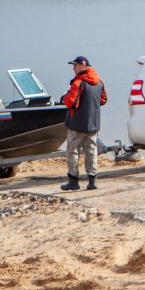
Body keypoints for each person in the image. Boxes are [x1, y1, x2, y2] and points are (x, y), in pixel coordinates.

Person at [61, 56, 107, 191]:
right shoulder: (99, 81)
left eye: (75, 65)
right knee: (91, 151)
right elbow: (103, 100)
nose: (73, 68)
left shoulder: (78, 82)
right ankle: (92, 181)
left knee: (72, 151)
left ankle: (73, 182)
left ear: (82, 65)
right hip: (93, 124)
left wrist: (65, 97)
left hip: (76, 125)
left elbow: (70, 103)